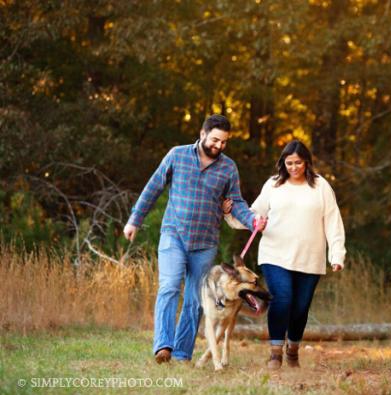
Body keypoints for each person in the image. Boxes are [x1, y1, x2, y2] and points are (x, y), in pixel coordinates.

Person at [123, 114, 266, 364]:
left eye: (224, 142)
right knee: (169, 286)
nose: (219, 146)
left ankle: (181, 354)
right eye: (214, 140)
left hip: (205, 243)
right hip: (173, 235)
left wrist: (253, 220)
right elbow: (154, 186)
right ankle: (163, 346)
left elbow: (237, 203)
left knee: (194, 300)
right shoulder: (177, 155)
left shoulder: (228, 168)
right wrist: (135, 219)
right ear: (202, 134)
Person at [223, 139, 345, 370]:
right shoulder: (273, 185)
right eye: (289, 163)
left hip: (310, 258)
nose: (294, 167)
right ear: (283, 163)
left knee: (300, 308)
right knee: (283, 299)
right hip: (275, 254)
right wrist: (230, 215)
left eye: (298, 163)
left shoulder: (321, 187)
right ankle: (275, 352)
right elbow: (254, 216)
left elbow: (333, 222)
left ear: (307, 163)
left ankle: (293, 349)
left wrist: (337, 254)